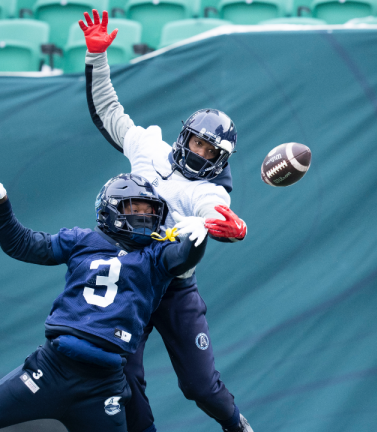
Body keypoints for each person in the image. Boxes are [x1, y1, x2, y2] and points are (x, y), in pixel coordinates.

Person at [0, 168, 209, 432]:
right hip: (51, 367)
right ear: (111, 208)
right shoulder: (81, 240)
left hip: (103, 384)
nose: (145, 217)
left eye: (150, 211)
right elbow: (22, 244)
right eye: (135, 208)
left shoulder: (155, 257)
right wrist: (1, 203)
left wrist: (198, 239)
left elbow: (182, 256)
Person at [78, 10, 254, 432]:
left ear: (222, 161)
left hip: (173, 287)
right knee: (124, 378)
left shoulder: (208, 191)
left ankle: (239, 427)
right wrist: (96, 58)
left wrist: (237, 228)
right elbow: (108, 109)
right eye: (197, 142)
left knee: (201, 386)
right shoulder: (148, 148)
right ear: (184, 135)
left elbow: (218, 214)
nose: (201, 154)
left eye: (211, 152)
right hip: (130, 279)